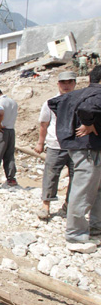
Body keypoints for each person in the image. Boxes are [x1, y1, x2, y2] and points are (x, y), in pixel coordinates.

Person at [48, 66, 101, 245]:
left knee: (94, 189)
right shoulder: (97, 94)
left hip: (80, 147)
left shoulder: (79, 94)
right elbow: (87, 109)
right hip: (89, 149)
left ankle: (95, 229)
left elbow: (55, 104)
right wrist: (90, 125)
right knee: (83, 190)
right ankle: (76, 234)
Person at [34, 71, 76, 220]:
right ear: (58, 84)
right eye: (63, 82)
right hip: (54, 144)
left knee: (76, 177)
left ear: (74, 84)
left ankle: (68, 206)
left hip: (75, 146)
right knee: (50, 176)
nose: (66, 85)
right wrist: (40, 143)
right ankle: (46, 206)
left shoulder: (80, 101)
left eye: (69, 82)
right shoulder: (50, 102)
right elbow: (44, 124)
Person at [0, 87, 19, 186]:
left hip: (1, 130)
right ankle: (11, 178)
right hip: (11, 130)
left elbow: (0, 113)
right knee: (9, 155)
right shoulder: (13, 102)